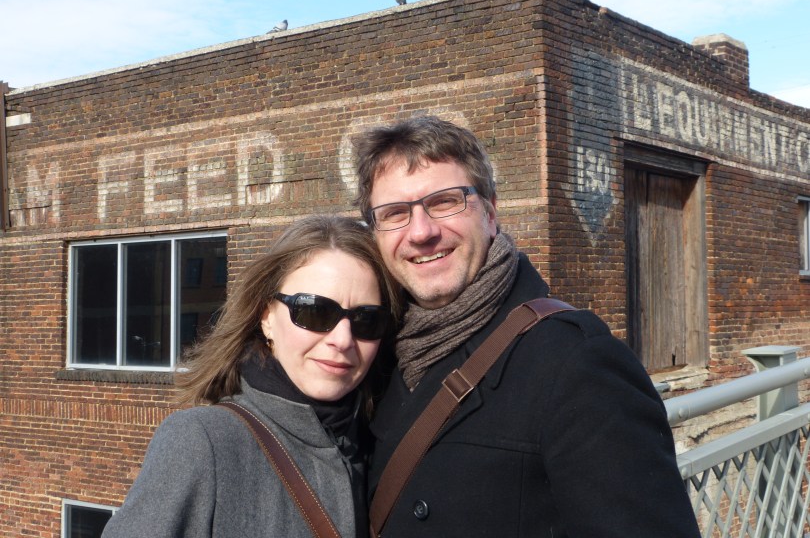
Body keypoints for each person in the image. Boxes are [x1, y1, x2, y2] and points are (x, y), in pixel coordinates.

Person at [353, 115, 701, 537]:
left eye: (445, 202)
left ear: (491, 212)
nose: (422, 232)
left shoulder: (577, 362)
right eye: (394, 213)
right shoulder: (373, 355)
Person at [102, 215, 402, 538]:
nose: (343, 340)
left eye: (366, 320)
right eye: (315, 311)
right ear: (266, 317)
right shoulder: (203, 442)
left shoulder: (377, 447)